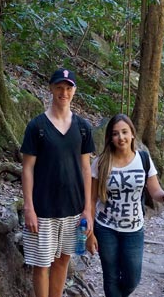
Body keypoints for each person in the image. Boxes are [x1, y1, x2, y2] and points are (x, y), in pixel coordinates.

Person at [86, 114, 164, 297]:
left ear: (132, 134)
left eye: (124, 132)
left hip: (134, 228)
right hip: (106, 228)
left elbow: (154, 190)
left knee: (132, 279)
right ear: (110, 137)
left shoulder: (143, 159)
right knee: (111, 276)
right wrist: (90, 234)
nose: (120, 137)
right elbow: (91, 200)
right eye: (115, 134)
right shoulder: (101, 162)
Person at [21, 68, 95, 297]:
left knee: (63, 260)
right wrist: (29, 207)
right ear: (51, 88)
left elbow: (86, 169)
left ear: (74, 91)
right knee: (41, 265)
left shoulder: (83, 127)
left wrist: (87, 210)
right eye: (59, 87)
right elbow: (27, 168)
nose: (64, 92)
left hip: (73, 209)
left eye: (68, 88)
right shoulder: (37, 127)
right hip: (43, 210)